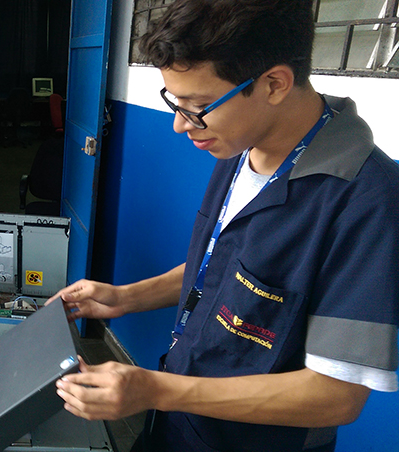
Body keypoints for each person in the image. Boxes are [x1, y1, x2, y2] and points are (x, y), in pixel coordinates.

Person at [48, 1, 399, 451]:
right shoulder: (238, 147)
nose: (180, 125)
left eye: (197, 106)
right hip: (177, 419)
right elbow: (226, 269)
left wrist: (156, 389)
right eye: (175, 103)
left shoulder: (367, 201)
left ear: (273, 84)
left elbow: (336, 396)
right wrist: (124, 298)